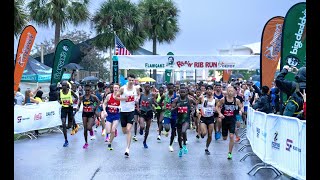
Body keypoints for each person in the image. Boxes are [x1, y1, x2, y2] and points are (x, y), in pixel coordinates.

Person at [115, 74, 140, 157]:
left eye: (133, 80)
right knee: (124, 131)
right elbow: (115, 97)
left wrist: (137, 99)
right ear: (127, 80)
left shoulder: (136, 88)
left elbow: (139, 94)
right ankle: (126, 143)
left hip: (131, 111)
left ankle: (127, 149)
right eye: (130, 80)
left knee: (129, 130)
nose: (131, 82)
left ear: (134, 81)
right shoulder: (123, 88)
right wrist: (123, 99)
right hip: (123, 111)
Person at [216, 86, 243, 160]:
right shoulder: (223, 100)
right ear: (227, 92)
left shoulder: (236, 100)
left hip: (232, 120)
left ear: (234, 92)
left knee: (231, 136)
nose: (230, 92)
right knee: (224, 138)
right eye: (229, 91)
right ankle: (221, 132)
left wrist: (241, 111)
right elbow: (217, 107)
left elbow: (241, 107)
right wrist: (220, 114)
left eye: (232, 91)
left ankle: (230, 153)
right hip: (224, 120)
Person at [171, 87, 196, 157]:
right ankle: (181, 148)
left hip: (186, 119)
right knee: (179, 136)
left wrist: (193, 110)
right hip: (179, 119)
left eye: (184, 92)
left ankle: (184, 144)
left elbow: (196, 103)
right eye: (181, 92)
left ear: (186, 93)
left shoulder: (189, 99)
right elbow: (171, 109)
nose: (182, 93)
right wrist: (176, 107)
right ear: (179, 92)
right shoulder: (176, 100)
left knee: (183, 131)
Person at [76, 84, 100, 149]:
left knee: (89, 127)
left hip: (91, 113)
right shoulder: (82, 97)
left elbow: (98, 102)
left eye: (88, 90)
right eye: (86, 90)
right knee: (85, 128)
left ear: (90, 90)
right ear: (84, 90)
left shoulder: (93, 97)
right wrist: (77, 108)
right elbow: (79, 104)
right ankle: (86, 142)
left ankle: (91, 130)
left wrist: (95, 108)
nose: (87, 92)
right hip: (84, 113)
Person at [58, 81, 79, 147]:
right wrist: (60, 101)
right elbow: (58, 99)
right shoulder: (60, 92)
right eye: (62, 85)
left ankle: (75, 126)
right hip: (63, 108)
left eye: (64, 85)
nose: (63, 87)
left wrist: (73, 101)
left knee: (70, 124)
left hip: (70, 108)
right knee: (63, 123)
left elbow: (76, 97)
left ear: (67, 86)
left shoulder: (70, 91)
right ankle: (66, 140)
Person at [137, 83, 157, 148]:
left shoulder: (152, 95)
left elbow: (154, 102)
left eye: (148, 87)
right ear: (144, 88)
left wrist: (157, 104)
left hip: (149, 112)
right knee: (142, 126)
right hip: (142, 112)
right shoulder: (141, 94)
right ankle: (141, 129)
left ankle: (144, 141)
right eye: (146, 87)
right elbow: (138, 101)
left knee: (147, 128)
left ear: (150, 88)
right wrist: (138, 108)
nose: (147, 88)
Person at [199, 85, 217, 155]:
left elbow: (218, 107)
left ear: (212, 91)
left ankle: (206, 148)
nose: (209, 91)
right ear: (206, 90)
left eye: (210, 89)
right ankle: (202, 134)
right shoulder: (202, 97)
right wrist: (197, 110)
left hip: (211, 118)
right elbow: (197, 104)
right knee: (204, 133)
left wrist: (216, 110)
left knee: (210, 135)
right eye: (208, 89)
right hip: (203, 118)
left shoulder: (215, 99)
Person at [102, 83, 120, 150]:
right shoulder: (109, 96)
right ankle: (110, 132)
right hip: (109, 115)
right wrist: (104, 111)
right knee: (108, 131)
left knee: (112, 130)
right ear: (113, 88)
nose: (115, 89)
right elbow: (104, 104)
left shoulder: (120, 97)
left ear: (119, 89)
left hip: (116, 115)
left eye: (117, 88)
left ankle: (110, 143)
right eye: (114, 87)